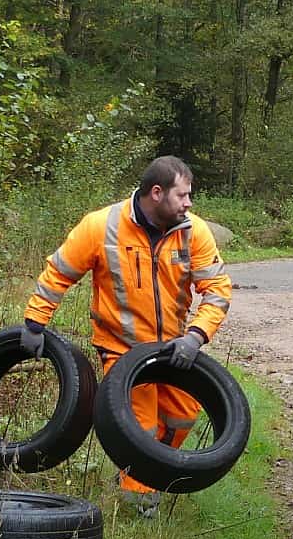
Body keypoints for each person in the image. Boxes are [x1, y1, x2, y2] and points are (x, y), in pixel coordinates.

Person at [21, 155, 233, 514]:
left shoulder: (193, 231)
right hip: (121, 347)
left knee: (183, 415)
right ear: (156, 193)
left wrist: (196, 335)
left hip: (173, 347)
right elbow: (58, 273)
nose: (189, 203)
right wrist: (34, 323)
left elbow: (217, 289)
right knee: (140, 428)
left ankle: (152, 471)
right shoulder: (101, 227)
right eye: (182, 195)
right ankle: (139, 504)